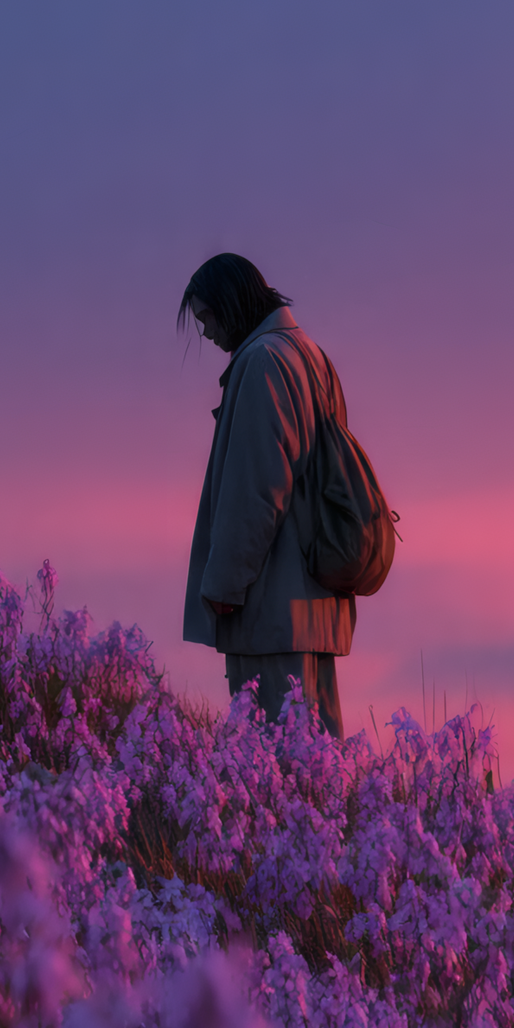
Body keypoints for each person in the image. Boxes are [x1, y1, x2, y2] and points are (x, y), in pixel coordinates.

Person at [179, 252, 352, 737]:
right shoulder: (312, 356)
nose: (207, 334)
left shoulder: (261, 362)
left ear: (230, 304)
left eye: (207, 318)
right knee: (320, 777)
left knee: (277, 777)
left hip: (272, 607)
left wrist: (224, 586)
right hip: (316, 601)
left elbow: (257, 491)